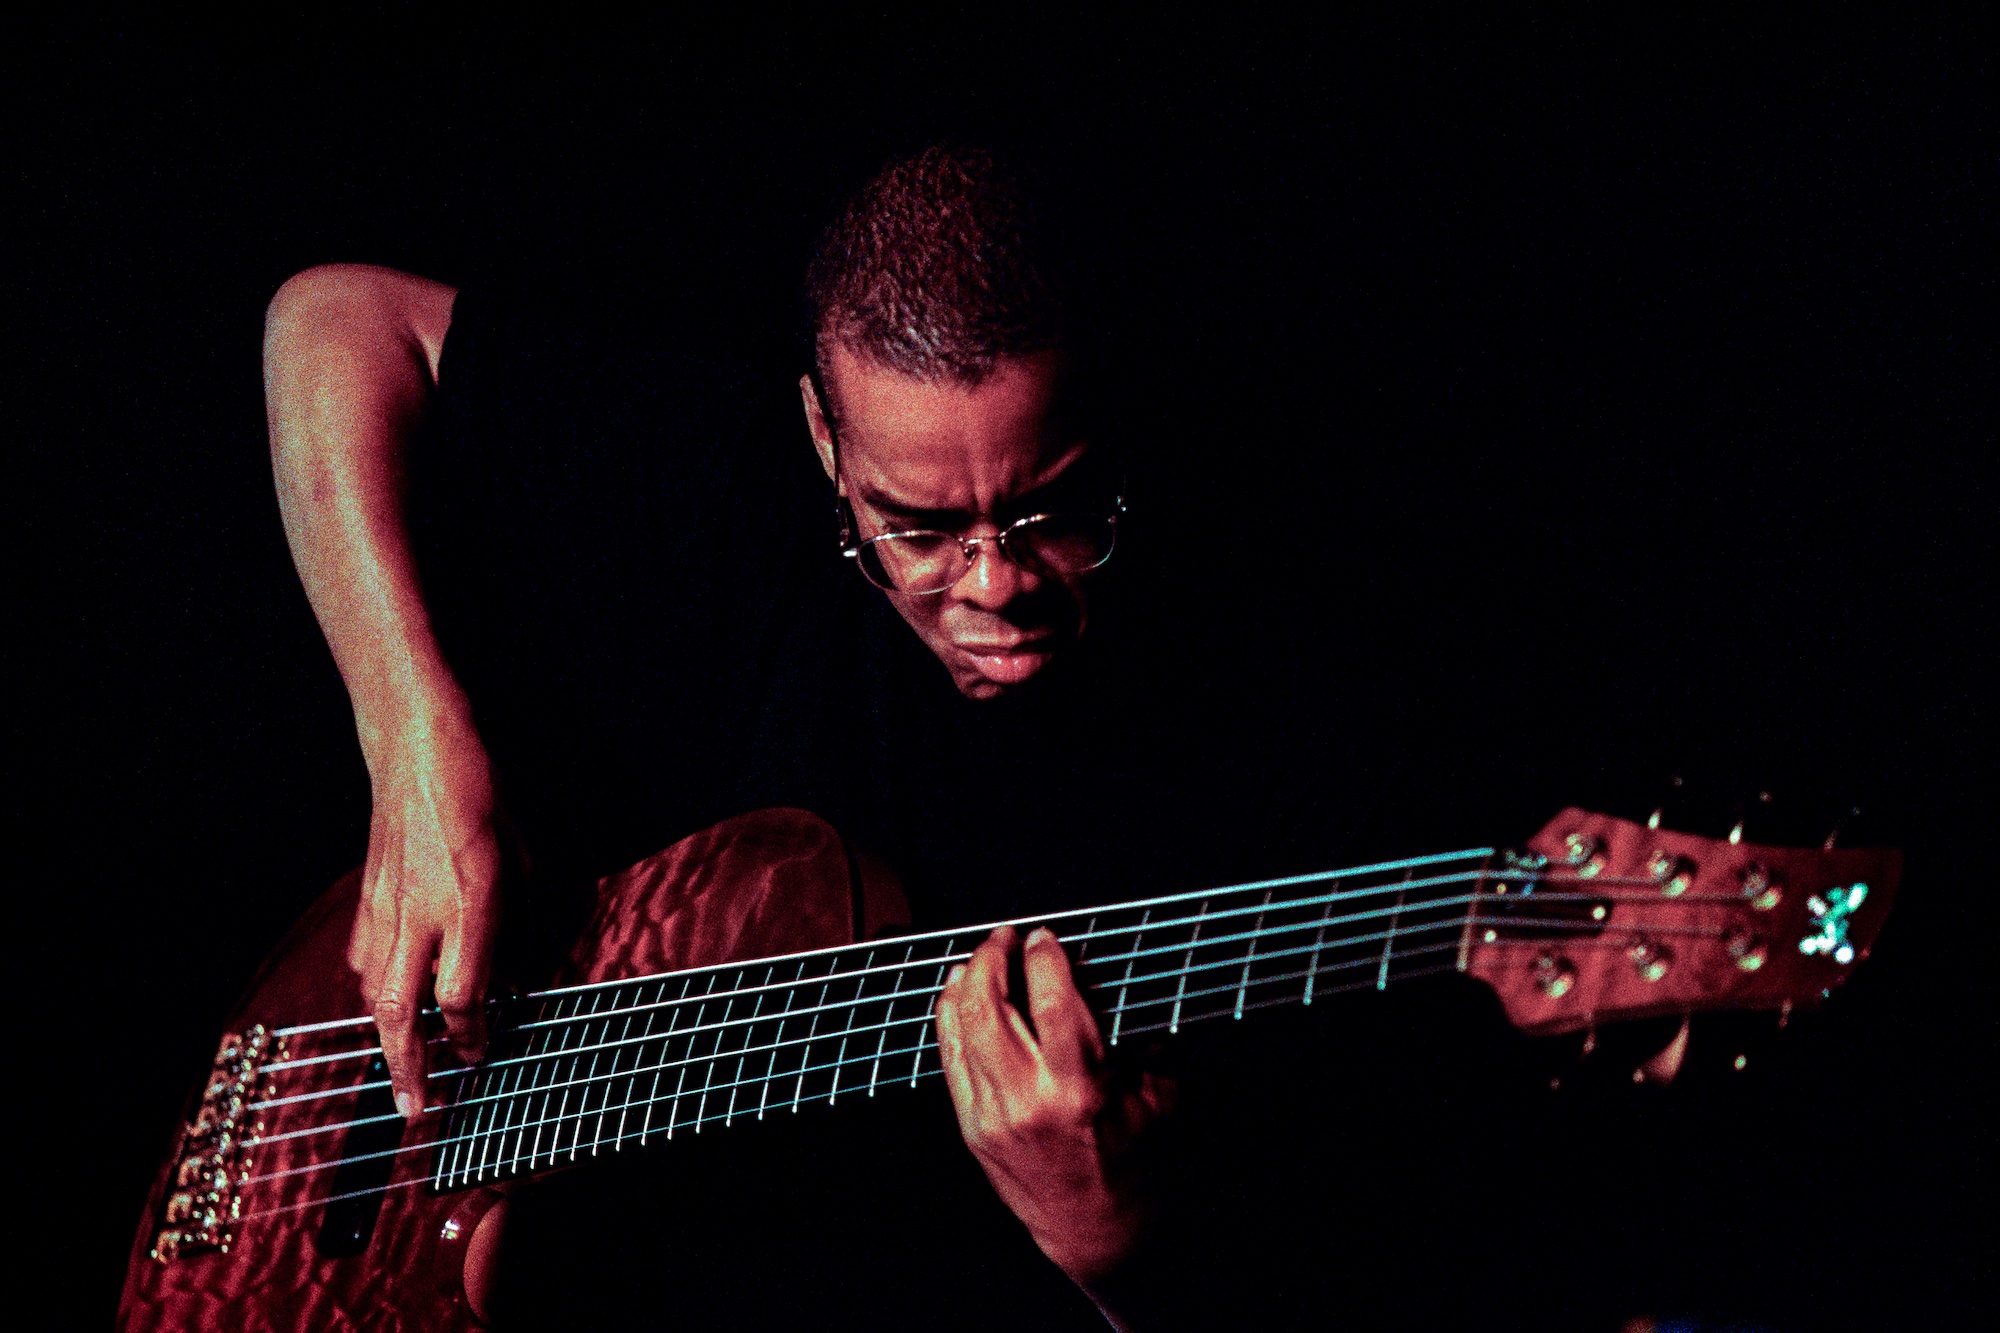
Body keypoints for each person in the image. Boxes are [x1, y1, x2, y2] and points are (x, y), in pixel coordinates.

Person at [267, 145, 1307, 1327]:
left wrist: (1118, 1253)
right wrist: (412, 748)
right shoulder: (738, 487)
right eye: (917, 529)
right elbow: (332, 321)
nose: (994, 584)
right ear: (826, 440)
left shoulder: (1262, 734)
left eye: (1050, 511)